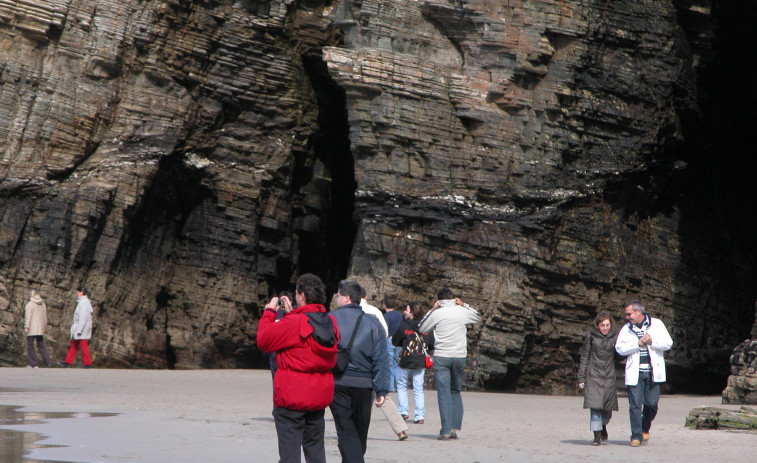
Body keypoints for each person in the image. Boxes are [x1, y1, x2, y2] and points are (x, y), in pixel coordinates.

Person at [256, 274, 340, 463]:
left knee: (289, 454)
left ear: (301, 295)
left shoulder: (294, 323)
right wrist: (292, 313)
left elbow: (264, 340)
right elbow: (305, 336)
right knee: (315, 450)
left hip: (292, 396)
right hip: (318, 395)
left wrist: (270, 313)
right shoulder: (330, 322)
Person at [329, 280, 392, 462]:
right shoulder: (373, 323)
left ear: (347, 298)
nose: (337, 298)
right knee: (359, 431)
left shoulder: (330, 318)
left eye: (339, 295)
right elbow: (381, 358)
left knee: (346, 430)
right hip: (364, 385)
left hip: (338, 382)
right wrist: (381, 389)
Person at [419, 287, 481, 440]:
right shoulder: (462, 311)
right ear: (454, 299)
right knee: (455, 391)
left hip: (442, 356)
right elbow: (478, 316)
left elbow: (421, 327)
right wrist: (464, 304)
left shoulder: (437, 313)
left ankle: (446, 430)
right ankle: (453, 428)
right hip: (459, 356)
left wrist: (432, 309)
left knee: (444, 393)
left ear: (439, 300)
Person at [615, 300, 673, 447]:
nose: (627, 317)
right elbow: (619, 349)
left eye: (629, 314)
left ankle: (644, 427)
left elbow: (668, 343)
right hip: (635, 373)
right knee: (635, 405)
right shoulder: (626, 329)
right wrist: (638, 344)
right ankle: (636, 436)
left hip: (653, 372)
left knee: (652, 405)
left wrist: (651, 341)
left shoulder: (657, 324)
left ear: (638, 312)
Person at [577, 311, 618, 446]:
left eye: (607, 325)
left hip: (609, 377)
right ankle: (596, 437)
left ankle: (603, 425)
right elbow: (584, 357)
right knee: (595, 407)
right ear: (597, 326)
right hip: (593, 376)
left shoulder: (615, 338)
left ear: (611, 325)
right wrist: (581, 378)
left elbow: (621, 356)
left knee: (607, 410)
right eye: (602, 325)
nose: (605, 328)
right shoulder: (591, 337)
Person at [392, 302, 434, 424]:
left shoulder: (404, 326)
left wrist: (404, 344)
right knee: (418, 388)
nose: (404, 312)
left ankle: (403, 411)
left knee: (401, 385)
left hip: (406, 360)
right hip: (420, 361)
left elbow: (395, 341)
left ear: (411, 313)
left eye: (406, 310)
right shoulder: (426, 326)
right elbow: (431, 344)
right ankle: (419, 415)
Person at [61, 286, 94, 368]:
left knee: (83, 345)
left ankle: (87, 363)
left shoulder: (84, 303)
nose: (77, 293)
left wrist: (79, 330)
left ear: (81, 293)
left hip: (82, 328)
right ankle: (68, 361)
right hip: (80, 327)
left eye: (78, 292)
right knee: (74, 344)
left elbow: (83, 317)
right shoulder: (83, 302)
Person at [24, 288, 53, 368]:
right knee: (41, 346)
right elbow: (45, 317)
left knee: (30, 346)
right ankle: (49, 362)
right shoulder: (42, 304)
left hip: (32, 328)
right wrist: (44, 327)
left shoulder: (30, 304)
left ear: (32, 294)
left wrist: (26, 327)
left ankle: (34, 363)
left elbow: (28, 317)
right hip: (40, 328)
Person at [267, 290, 294, 378]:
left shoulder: (296, 314)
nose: (283, 303)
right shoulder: (274, 314)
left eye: (285, 301)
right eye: (281, 301)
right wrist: (268, 312)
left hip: (289, 354)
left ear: (291, 302)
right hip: (275, 353)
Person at [382, 296, 403, 392]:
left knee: (389, 364)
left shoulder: (386, 316)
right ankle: (399, 385)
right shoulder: (399, 315)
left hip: (390, 340)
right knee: (396, 363)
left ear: (385, 305)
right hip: (399, 341)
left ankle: (390, 387)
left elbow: (384, 330)